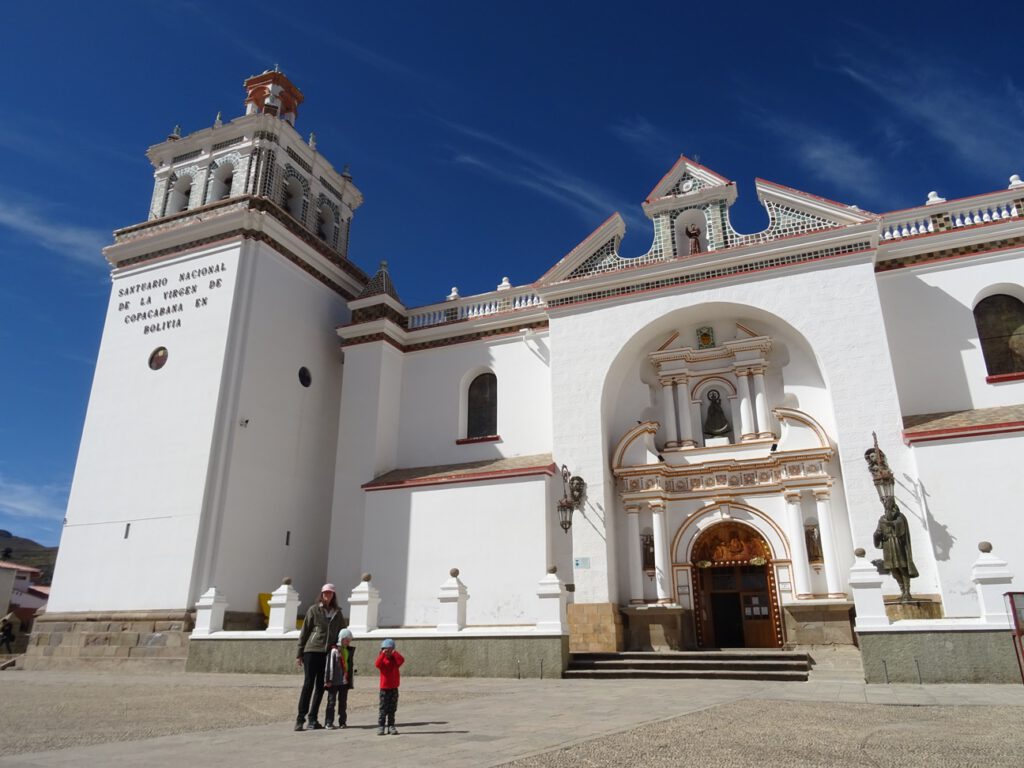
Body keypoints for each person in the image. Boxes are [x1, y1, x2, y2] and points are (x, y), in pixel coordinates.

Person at [294, 583, 346, 731]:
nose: (327, 596)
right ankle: (300, 719)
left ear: (333, 595)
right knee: (308, 684)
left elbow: (342, 632)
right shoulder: (314, 610)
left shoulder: (337, 613)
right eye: (325, 593)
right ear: (321, 594)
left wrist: (340, 648)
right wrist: (299, 653)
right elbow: (305, 632)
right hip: (312, 650)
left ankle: (313, 719)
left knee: (321, 686)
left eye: (330, 593)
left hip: (328, 653)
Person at [873, 498, 919, 602]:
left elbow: (900, 528)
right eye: (886, 506)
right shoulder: (882, 519)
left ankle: (907, 592)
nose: (887, 507)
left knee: (902, 567)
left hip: (897, 543)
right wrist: (877, 535)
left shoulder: (900, 517)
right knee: (893, 569)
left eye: (888, 505)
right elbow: (878, 530)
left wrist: (890, 522)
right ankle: (902, 591)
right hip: (887, 545)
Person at [324, 627, 355, 729]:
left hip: (344, 681)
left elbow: (349, 665)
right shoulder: (334, 651)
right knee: (331, 702)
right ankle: (329, 722)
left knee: (343, 703)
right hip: (334, 681)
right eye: (346, 640)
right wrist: (328, 680)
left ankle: (342, 722)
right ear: (341, 639)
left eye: (349, 641)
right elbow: (329, 665)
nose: (348, 642)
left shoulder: (347, 650)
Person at [374, 638, 405, 735]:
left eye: (390, 650)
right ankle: (381, 726)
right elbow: (377, 664)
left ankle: (391, 725)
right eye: (386, 650)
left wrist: (394, 653)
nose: (388, 652)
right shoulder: (382, 660)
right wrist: (383, 654)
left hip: (394, 688)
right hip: (384, 689)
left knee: (392, 708)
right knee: (383, 708)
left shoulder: (395, 660)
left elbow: (402, 660)